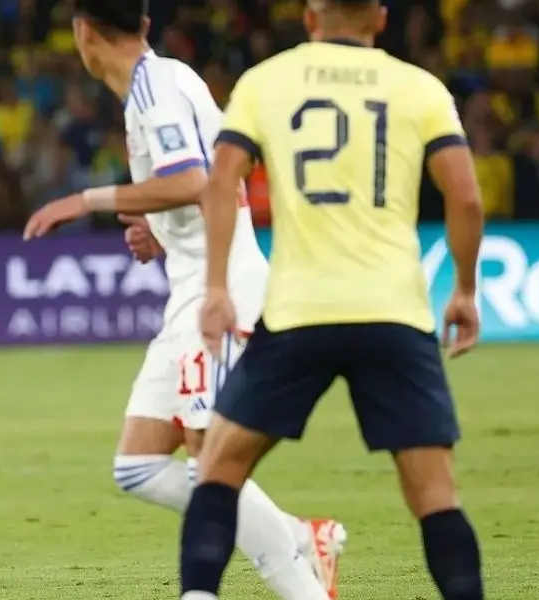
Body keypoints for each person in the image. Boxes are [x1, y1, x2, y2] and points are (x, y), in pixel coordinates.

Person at [23, 1, 344, 598]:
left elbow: (196, 179)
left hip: (217, 290)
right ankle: (301, 535)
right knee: (137, 466)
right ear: (142, 24)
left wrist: (84, 200)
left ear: (83, 32)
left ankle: (299, 573)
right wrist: (162, 229)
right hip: (190, 287)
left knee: (210, 463)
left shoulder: (155, 89)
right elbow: (216, 179)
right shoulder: (160, 84)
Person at [184, 1, 485, 599]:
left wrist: (216, 287)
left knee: (218, 470)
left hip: (300, 312)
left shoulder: (266, 82)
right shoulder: (419, 88)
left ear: (310, 17)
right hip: (393, 312)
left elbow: (221, 181)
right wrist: (466, 291)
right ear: (379, 16)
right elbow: (467, 197)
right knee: (435, 496)